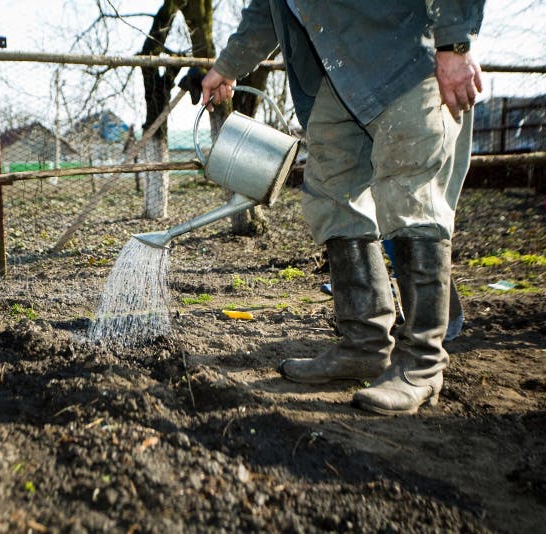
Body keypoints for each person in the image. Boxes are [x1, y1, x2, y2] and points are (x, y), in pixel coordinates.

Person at [200, 1, 485, 415]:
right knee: (332, 194)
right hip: (337, 74)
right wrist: (227, 66)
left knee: (412, 195)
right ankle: (363, 344)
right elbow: (266, 8)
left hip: (405, 55)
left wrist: (454, 44)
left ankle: (421, 365)